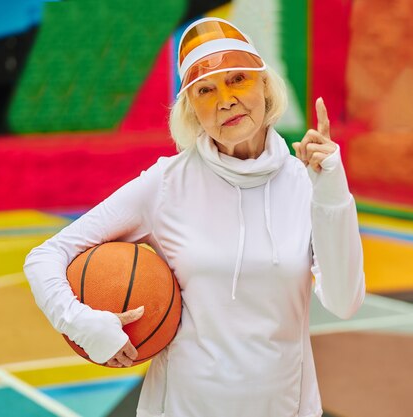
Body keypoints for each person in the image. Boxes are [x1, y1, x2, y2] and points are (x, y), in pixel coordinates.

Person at [24, 17, 365, 417]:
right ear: (191, 109)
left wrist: (331, 190)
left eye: (237, 79)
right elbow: (45, 256)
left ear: (265, 85)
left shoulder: (306, 185)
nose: (225, 100)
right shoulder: (166, 184)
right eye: (206, 90)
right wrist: (81, 323)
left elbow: (344, 302)